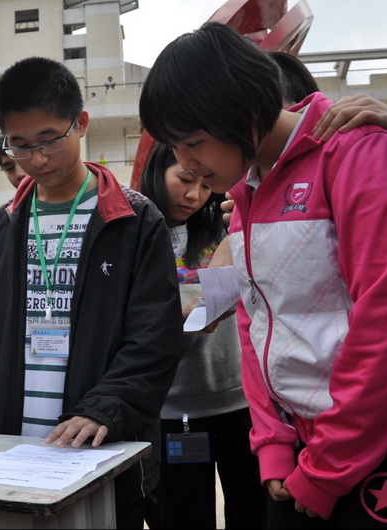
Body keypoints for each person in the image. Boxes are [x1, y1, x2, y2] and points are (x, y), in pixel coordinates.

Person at [139, 22, 387, 528]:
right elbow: (253, 320)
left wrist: (329, 467)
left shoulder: (354, 152)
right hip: (305, 451)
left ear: (243, 113)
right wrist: (271, 444)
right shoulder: (246, 191)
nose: (186, 163)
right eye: (175, 147)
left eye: (193, 142)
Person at [0, 56, 183, 529]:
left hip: (98, 450)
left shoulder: (134, 221)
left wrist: (105, 407)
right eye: (19, 146)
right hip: (10, 453)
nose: (36, 159)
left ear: (81, 123)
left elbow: (155, 339)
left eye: (49, 140)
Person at [140, 141, 266, 529]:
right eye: (183, 179)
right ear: (157, 171)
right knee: (181, 515)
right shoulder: (136, 235)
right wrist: (186, 312)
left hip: (239, 402)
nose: (195, 195)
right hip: (172, 410)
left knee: (252, 510)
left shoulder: (225, 227)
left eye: (205, 185)